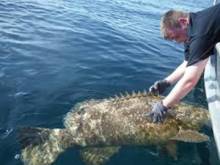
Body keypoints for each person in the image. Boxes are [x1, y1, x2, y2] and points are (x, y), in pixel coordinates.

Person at [147, 4, 220, 123]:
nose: (177, 42)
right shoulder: (190, 31)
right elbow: (187, 63)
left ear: (182, 22)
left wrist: (164, 105)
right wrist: (166, 82)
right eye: (173, 40)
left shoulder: (199, 35)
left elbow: (190, 80)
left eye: (176, 37)